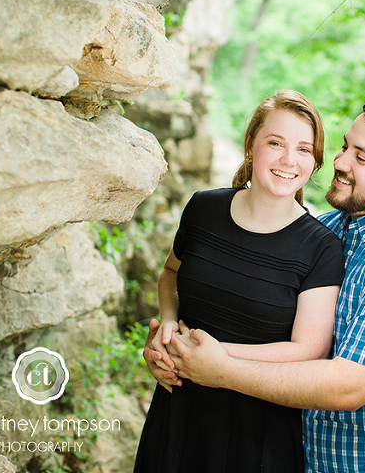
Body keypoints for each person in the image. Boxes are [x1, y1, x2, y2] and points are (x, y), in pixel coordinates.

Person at [148, 98, 365, 472]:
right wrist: (173, 349)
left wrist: (218, 368)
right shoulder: (330, 228)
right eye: (344, 147)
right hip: (322, 458)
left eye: (361, 157)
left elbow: (349, 384)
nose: (339, 163)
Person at [133, 90, 345, 473]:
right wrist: (167, 326)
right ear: (250, 145)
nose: (288, 160)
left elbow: (308, 349)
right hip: (178, 406)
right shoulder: (203, 207)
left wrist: (213, 358)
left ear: (314, 163)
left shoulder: (322, 247)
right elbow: (170, 273)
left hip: (259, 432)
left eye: (303, 149)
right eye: (275, 143)